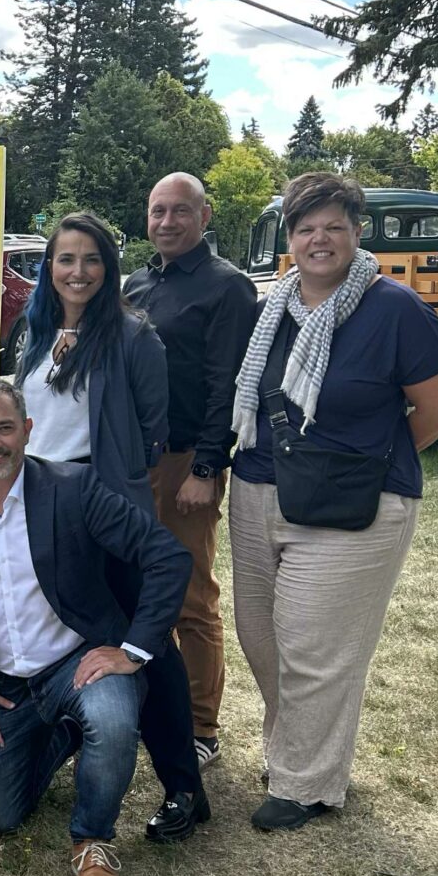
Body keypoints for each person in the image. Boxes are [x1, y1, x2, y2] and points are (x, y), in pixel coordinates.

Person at [229, 172, 438, 831]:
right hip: (259, 486)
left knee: (314, 648)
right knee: (261, 638)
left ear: (357, 233)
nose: (320, 239)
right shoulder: (273, 306)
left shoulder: (395, 309)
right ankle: (293, 750)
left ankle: (306, 783)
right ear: (290, 238)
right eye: (306, 227)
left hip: (352, 505)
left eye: (334, 226)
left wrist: (373, 460)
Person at [0, 378, 191, 876]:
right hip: (5, 684)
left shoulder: (74, 487)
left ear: (27, 429)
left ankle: (93, 842)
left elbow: (167, 556)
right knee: (2, 815)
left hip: (78, 662)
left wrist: (133, 650)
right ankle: (68, 733)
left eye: (5, 428)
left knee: (112, 720)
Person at [16, 212, 208, 843]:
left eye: (91, 259)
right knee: (68, 628)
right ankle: (67, 738)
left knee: (147, 644)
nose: (78, 271)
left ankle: (183, 787)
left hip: (103, 505)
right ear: (49, 267)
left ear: (109, 267)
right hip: (41, 503)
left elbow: (152, 431)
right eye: (66, 259)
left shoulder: (132, 336)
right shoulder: (34, 332)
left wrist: (106, 485)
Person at [123, 172, 257, 770]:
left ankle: (201, 725)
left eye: (181, 210)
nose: (167, 221)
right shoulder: (136, 283)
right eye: (158, 211)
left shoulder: (228, 288)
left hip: (184, 462)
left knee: (190, 597)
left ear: (205, 217)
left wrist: (206, 466)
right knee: (135, 590)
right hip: (131, 463)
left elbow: (227, 384)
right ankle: (146, 707)